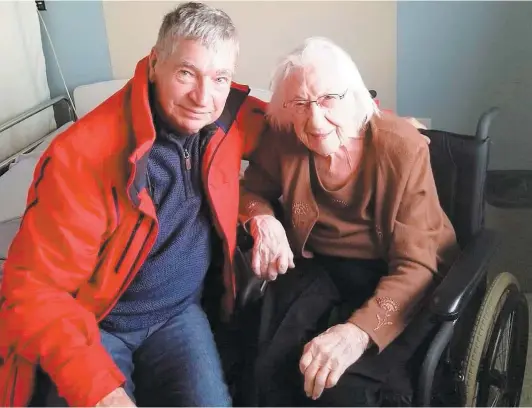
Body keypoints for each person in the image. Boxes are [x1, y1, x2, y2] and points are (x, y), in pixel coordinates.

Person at [0, 2, 267, 407]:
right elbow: (36, 290)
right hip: (97, 321)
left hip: (178, 313)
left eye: (219, 78)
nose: (203, 97)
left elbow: (308, 118)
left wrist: (388, 125)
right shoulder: (82, 156)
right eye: (185, 73)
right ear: (155, 62)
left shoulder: (228, 118)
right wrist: (101, 392)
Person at [239, 37, 459, 406]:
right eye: (300, 104)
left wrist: (357, 333)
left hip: (401, 270)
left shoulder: (401, 148)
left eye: (328, 99)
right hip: (322, 266)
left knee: (344, 388)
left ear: (354, 97)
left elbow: (417, 264)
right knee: (270, 370)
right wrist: (263, 220)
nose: (314, 118)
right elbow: (250, 192)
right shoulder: (284, 137)